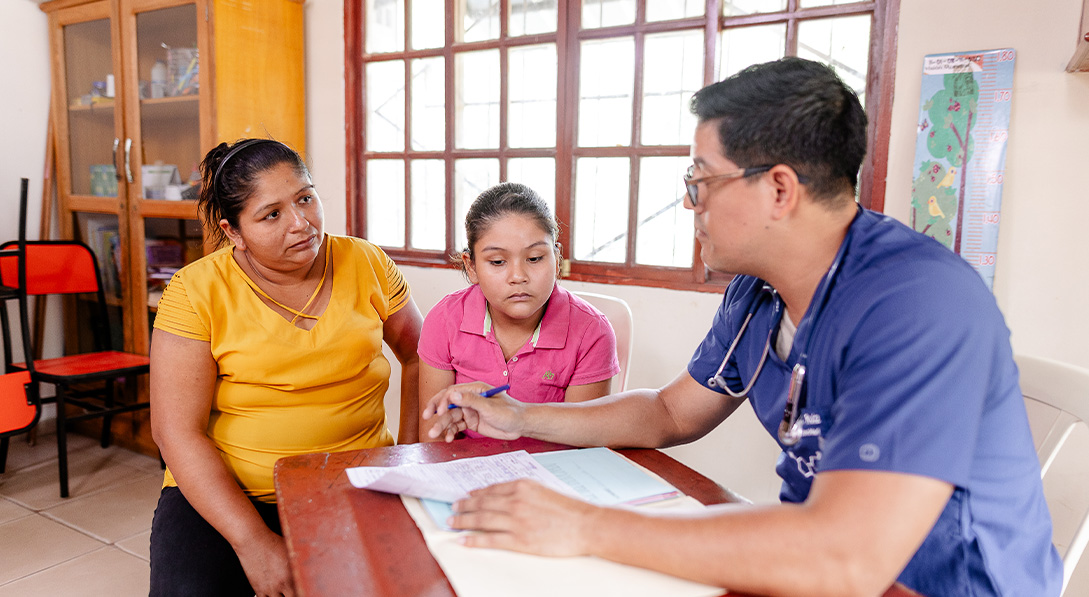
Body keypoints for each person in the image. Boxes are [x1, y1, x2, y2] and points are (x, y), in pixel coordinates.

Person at [421, 58, 1062, 596]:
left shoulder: (918, 303)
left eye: (700, 180)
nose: (689, 201)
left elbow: (846, 558)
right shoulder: (757, 294)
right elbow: (670, 414)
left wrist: (586, 527)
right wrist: (520, 417)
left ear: (778, 190)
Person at [149, 138, 423, 597]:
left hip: (354, 480)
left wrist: (410, 461)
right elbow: (176, 431)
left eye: (305, 198)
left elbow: (421, 355)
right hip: (231, 493)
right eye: (271, 214)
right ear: (233, 231)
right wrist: (253, 542)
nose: (301, 224)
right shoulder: (194, 291)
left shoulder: (367, 262)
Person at [418, 182, 619, 439]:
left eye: (534, 258)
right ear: (471, 267)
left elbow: (583, 443)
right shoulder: (444, 321)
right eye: (498, 262)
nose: (518, 276)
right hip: (464, 474)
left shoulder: (592, 332)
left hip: (549, 476)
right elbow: (433, 438)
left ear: (556, 259)